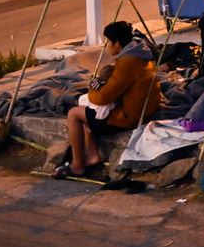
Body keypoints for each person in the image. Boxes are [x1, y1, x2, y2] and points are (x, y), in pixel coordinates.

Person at [54, 21, 162, 179]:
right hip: (146, 109)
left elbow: (102, 98)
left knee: (74, 114)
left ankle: (77, 166)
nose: (107, 46)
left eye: (108, 42)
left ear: (117, 43)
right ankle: (92, 156)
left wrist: (93, 86)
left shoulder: (128, 63)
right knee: (87, 114)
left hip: (129, 117)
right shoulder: (141, 54)